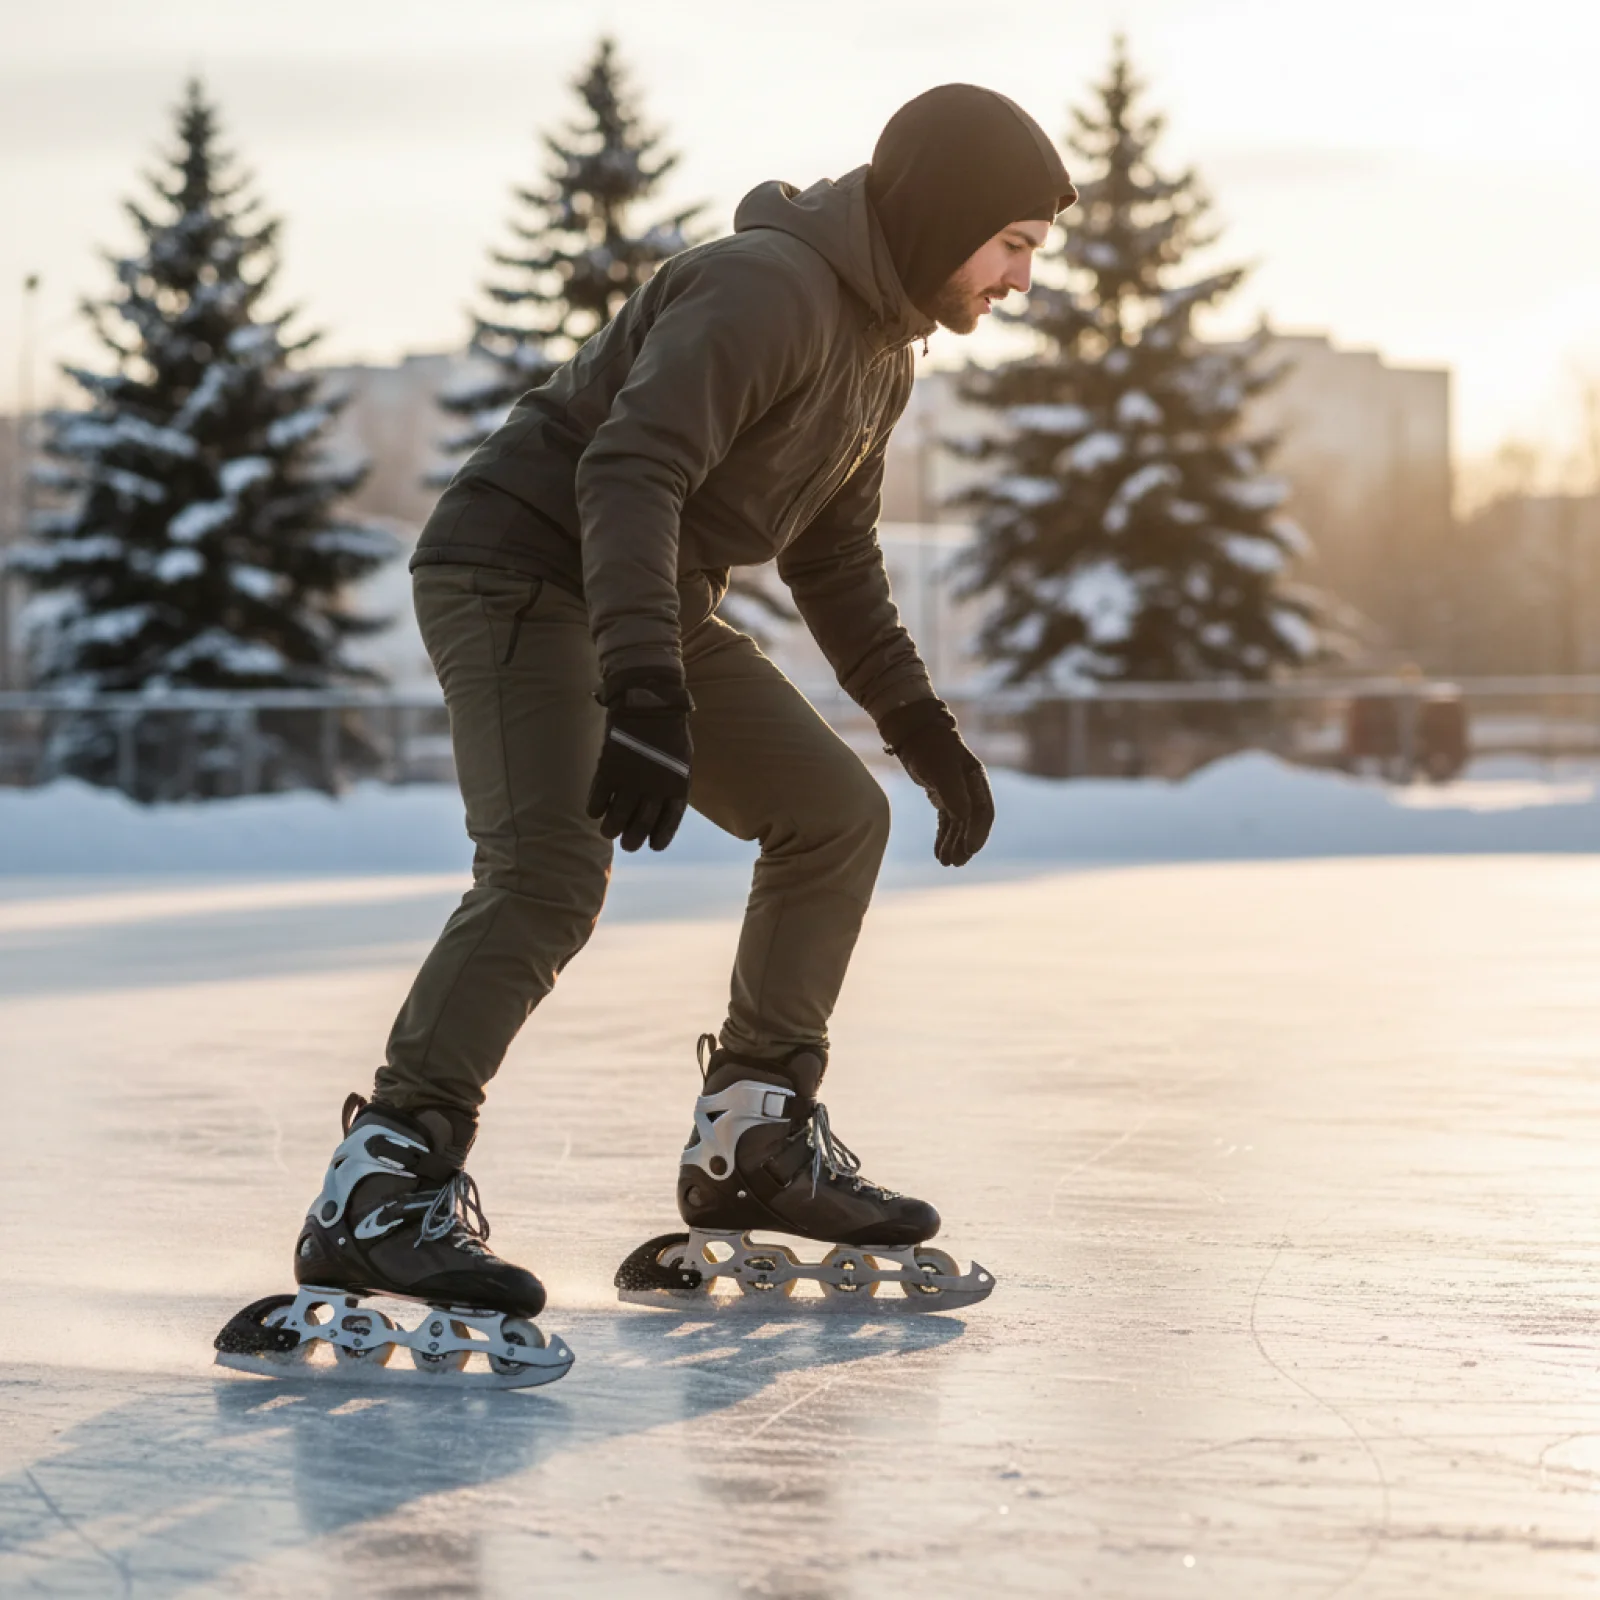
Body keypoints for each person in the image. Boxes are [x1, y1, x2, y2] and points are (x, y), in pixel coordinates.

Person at [290, 84, 1076, 1319]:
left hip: (648, 586)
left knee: (834, 816)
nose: (1022, 279)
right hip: (516, 564)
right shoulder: (766, 287)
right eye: (1015, 244)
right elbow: (629, 465)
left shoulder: (883, 352)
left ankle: (754, 1139)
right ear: (942, 220)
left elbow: (832, 559)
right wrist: (644, 683)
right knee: (548, 870)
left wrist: (922, 729)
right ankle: (383, 1183)